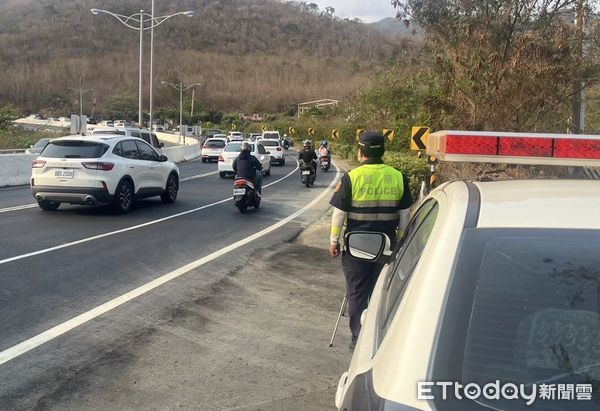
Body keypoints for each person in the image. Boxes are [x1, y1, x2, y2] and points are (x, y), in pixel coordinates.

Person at [328, 131, 413, 350]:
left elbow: (339, 214)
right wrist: (401, 242)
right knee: (380, 293)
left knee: (357, 292)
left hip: (356, 248)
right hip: (386, 247)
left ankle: (357, 339)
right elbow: (405, 216)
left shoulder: (352, 177)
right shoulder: (398, 176)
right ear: (383, 150)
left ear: (361, 151)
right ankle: (376, 338)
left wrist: (334, 240)